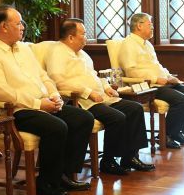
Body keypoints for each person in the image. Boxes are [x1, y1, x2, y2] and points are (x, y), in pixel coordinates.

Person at [0, 6, 94, 195]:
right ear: (4, 27)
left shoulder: (23, 49)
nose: (23, 27)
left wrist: (55, 95)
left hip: (41, 103)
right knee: (57, 127)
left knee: (83, 118)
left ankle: (64, 174)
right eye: (18, 23)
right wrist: (37, 103)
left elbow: (43, 75)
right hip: (14, 110)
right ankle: (46, 182)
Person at [45, 18, 155, 174]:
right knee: (117, 117)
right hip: (82, 101)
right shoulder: (57, 52)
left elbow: (94, 75)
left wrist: (106, 86)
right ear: (70, 37)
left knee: (134, 109)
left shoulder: (81, 53)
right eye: (83, 34)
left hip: (101, 96)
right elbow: (58, 81)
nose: (86, 37)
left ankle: (129, 157)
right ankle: (108, 161)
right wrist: (89, 92)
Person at [119, 13, 184, 149]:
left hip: (161, 82)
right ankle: (165, 135)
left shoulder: (147, 45)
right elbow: (130, 71)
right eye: (150, 24)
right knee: (181, 99)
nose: (152, 27)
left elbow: (157, 66)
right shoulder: (128, 44)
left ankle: (178, 132)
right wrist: (156, 79)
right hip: (147, 86)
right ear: (139, 26)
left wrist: (169, 77)